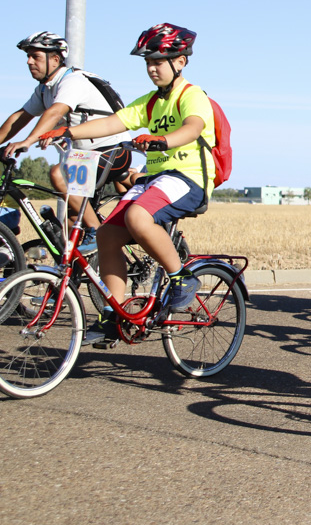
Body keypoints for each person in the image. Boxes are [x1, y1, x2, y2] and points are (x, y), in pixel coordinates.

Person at [37, 23, 214, 347]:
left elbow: (192, 128)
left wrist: (161, 140)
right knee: (106, 233)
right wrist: (66, 133)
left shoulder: (192, 96)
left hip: (188, 178)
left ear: (181, 62)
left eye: (159, 61)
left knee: (137, 217)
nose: (152, 68)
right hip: (156, 180)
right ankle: (113, 311)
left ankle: (182, 278)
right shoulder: (149, 102)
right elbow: (112, 122)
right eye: (148, 62)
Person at [0, 31, 132, 248]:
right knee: (71, 224)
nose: (29, 61)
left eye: (35, 56)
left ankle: (97, 233)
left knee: (59, 173)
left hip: (112, 152)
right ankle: (77, 273)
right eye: (28, 56)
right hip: (86, 156)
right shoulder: (44, 89)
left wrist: (28, 141)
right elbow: (19, 118)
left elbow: (55, 112)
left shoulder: (72, 81)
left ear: (55, 59)